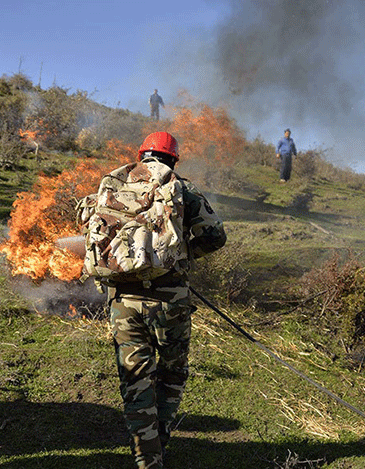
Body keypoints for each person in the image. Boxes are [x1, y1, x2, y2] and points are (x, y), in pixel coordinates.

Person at [93, 132, 226, 468]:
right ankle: (160, 440)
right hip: (170, 300)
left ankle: (147, 458)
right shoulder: (183, 187)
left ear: (141, 155)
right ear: (173, 159)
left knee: (135, 381)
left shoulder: (115, 182)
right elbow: (215, 236)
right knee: (172, 372)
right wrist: (181, 256)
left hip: (123, 300)